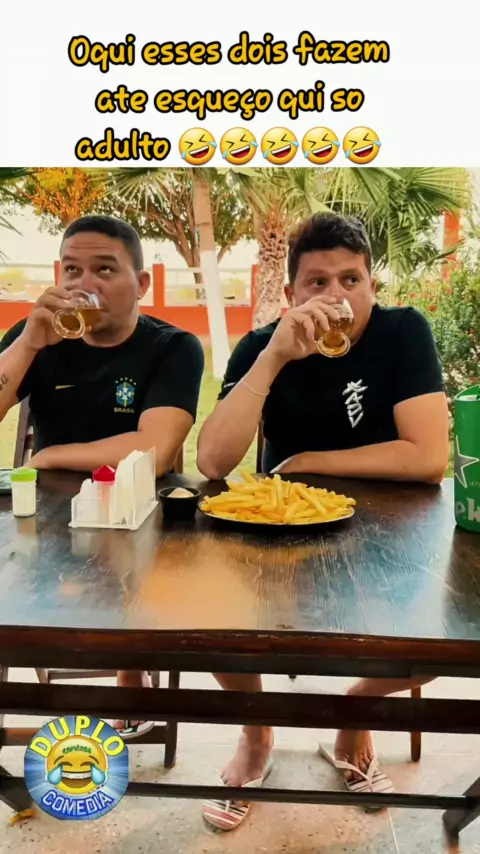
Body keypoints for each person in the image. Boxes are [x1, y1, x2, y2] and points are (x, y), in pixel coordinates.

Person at [197, 212, 449, 831]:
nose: (336, 297)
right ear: (291, 293)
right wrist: (273, 358)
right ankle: (256, 733)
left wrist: (309, 461)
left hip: (389, 529)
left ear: (371, 284)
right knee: (211, 623)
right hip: (281, 535)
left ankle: (354, 713)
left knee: (445, 640)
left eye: (350, 280)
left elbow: (428, 456)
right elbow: (212, 462)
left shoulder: (402, 332)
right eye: (317, 282)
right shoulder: (264, 346)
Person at [0, 214, 205, 740]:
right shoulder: (37, 336)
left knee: (189, 598)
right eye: (72, 270)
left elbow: (153, 451)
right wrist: (28, 344)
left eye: (105, 269)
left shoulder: (173, 347)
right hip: (51, 520)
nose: (84, 284)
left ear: (142, 283)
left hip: (141, 515)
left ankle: (134, 665)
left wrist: (51, 455)